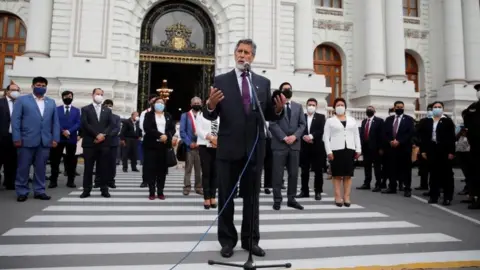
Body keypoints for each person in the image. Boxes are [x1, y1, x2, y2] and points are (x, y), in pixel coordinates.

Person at [203, 38, 286, 258]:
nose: (242, 55)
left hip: (254, 149)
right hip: (228, 148)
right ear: (234, 54)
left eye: (247, 52)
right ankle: (227, 241)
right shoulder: (221, 80)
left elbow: (268, 113)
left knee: (252, 198)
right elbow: (211, 113)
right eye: (239, 51)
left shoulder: (262, 82)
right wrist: (210, 105)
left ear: (253, 57)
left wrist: (278, 110)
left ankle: (251, 240)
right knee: (226, 197)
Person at [11, 77, 60, 202]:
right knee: (23, 167)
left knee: (41, 168)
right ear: (32, 86)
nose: (41, 87)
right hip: (26, 140)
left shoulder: (51, 102)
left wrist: (55, 138)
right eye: (38, 85)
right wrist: (16, 137)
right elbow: (15, 120)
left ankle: (39, 190)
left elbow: (55, 122)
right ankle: (22, 191)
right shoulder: (22, 100)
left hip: (44, 141)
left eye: (43, 85)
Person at [269, 82, 306, 210]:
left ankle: (291, 199)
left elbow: (302, 124)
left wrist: (295, 136)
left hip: (294, 145)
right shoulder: (275, 105)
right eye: (285, 89)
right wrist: (284, 137)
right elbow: (272, 123)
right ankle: (277, 200)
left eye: (289, 89)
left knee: (294, 174)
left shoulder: (298, 106)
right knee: (277, 174)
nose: (287, 91)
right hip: (279, 145)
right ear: (280, 91)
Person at [323, 98, 361, 207]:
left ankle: (347, 197)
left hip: (349, 149)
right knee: (337, 175)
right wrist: (328, 151)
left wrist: (358, 149)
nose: (340, 106)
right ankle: (337, 196)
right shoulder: (330, 121)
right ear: (334, 107)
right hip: (336, 150)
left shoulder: (352, 120)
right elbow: (326, 137)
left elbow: (356, 135)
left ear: (345, 107)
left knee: (348, 175)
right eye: (338, 105)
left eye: (342, 104)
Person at [79, 88, 115, 199]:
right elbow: (85, 124)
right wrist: (96, 135)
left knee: (103, 167)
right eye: (97, 94)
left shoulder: (107, 110)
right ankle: (86, 189)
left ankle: (104, 189)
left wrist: (103, 135)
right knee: (88, 168)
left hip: (104, 143)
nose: (99, 96)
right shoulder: (85, 109)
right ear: (93, 95)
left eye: (101, 94)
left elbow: (110, 125)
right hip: (90, 143)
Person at [418, 101, 455, 205]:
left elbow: (451, 138)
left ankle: (447, 197)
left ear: (443, 109)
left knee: (446, 174)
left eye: (439, 107)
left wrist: (451, 152)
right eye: (435, 107)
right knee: (434, 174)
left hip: (444, 150)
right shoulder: (428, 121)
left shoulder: (447, 121)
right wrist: (423, 150)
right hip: (432, 149)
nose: (437, 108)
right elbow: (424, 137)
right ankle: (434, 196)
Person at [142, 97, 175, 200]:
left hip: (164, 146)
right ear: (154, 104)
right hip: (151, 146)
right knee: (151, 169)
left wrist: (167, 136)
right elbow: (147, 128)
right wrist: (160, 135)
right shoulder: (148, 115)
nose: (160, 104)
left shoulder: (168, 116)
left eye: (162, 103)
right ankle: (152, 192)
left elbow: (172, 129)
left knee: (162, 171)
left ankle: (160, 191)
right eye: (157, 102)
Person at [382, 101, 415, 197]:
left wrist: (399, 141)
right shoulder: (389, 119)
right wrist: (390, 141)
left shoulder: (409, 119)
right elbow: (385, 133)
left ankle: (407, 188)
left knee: (406, 169)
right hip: (392, 148)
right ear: (394, 108)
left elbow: (410, 133)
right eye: (398, 107)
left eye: (401, 107)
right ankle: (392, 187)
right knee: (392, 168)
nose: (399, 108)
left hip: (404, 148)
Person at [48, 90, 81, 188]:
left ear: (72, 97)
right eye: (66, 96)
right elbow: (54, 122)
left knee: (71, 161)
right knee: (55, 160)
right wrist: (62, 131)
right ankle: (53, 180)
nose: (68, 98)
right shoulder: (57, 109)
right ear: (62, 98)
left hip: (71, 138)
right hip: (58, 138)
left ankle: (71, 181)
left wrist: (69, 131)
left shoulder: (76, 110)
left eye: (70, 96)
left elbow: (78, 123)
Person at [297, 98, 326, 201]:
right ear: (306, 105)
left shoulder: (321, 117)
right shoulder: (302, 117)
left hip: (317, 147)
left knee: (318, 171)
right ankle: (304, 191)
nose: (311, 106)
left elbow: (321, 130)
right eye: (309, 104)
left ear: (316, 106)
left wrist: (311, 136)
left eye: (313, 105)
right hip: (304, 147)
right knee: (304, 171)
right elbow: (299, 128)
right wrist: (304, 137)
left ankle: (318, 191)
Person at [357, 105, 385, 192]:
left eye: (371, 109)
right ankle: (367, 183)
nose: (369, 110)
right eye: (368, 109)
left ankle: (378, 184)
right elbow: (361, 135)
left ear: (374, 111)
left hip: (376, 148)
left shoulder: (379, 121)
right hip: (366, 148)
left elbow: (382, 136)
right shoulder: (364, 121)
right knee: (367, 166)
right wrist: (360, 147)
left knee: (377, 167)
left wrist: (381, 148)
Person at [179, 97, 203, 196]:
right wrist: (189, 143)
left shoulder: (203, 115)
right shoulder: (185, 115)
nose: (197, 104)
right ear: (191, 104)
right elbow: (182, 131)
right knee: (188, 168)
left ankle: (198, 187)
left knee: (199, 169)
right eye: (195, 103)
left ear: (201, 104)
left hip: (201, 146)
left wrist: (201, 141)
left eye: (198, 103)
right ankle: (187, 187)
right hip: (190, 146)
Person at [196, 110, 220, 209]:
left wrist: (217, 140)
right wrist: (210, 138)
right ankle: (206, 198)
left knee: (215, 173)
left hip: (217, 146)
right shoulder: (201, 114)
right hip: (204, 146)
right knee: (206, 172)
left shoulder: (219, 114)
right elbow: (199, 130)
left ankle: (213, 197)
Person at [0, 83, 21, 190]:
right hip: (1, 137)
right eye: (13, 90)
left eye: (17, 90)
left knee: (12, 162)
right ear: (7, 91)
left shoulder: (20, 104)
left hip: (14, 137)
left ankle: (9, 182)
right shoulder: (1, 102)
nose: (15, 92)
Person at [463, 84, 480, 209]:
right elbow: (466, 116)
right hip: (476, 146)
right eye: (478, 91)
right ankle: (476, 197)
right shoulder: (473, 107)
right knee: (476, 173)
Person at [103, 99, 121, 189]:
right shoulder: (100, 117)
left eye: (110, 105)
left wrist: (106, 134)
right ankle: (99, 181)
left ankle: (111, 181)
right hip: (101, 142)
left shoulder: (116, 117)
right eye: (106, 105)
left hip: (113, 142)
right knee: (101, 162)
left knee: (112, 163)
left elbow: (117, 129)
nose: (108, 107)